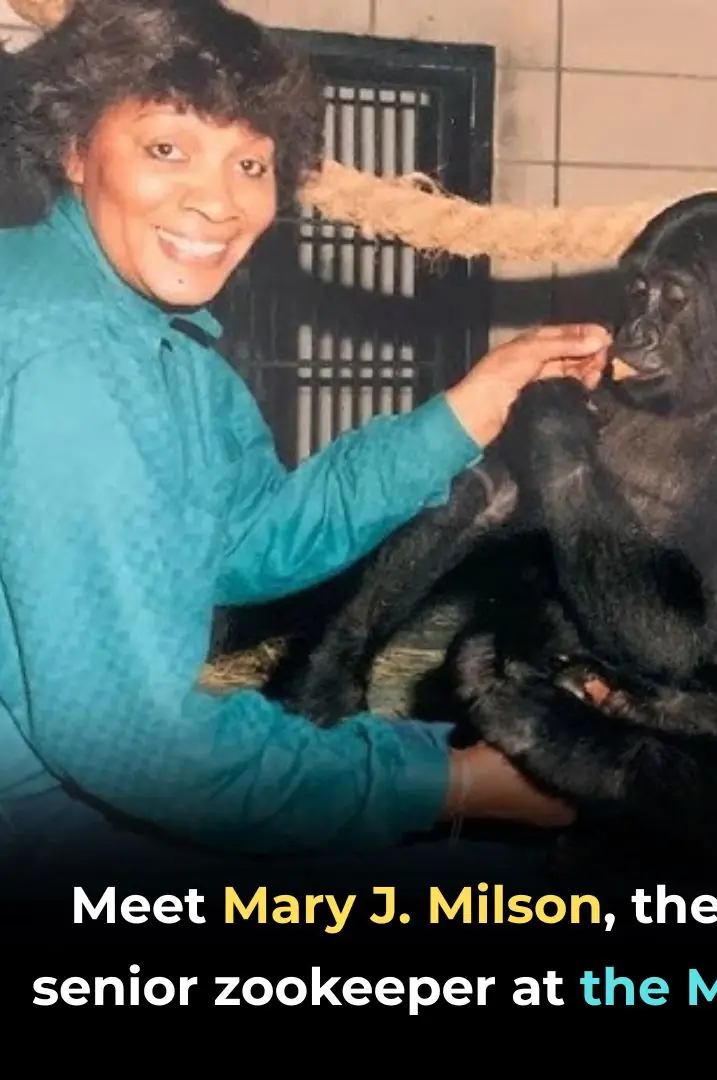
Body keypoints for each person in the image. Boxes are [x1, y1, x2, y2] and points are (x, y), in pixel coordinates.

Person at [0, 0, 611, 882]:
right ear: (73, 150)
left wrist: (469, 409)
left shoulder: (151, 340)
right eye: (166, 148)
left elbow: (253, 542)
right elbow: (138, 747)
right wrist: (452, 782)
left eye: (250, 161)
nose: (217, 199)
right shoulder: (76, 359)